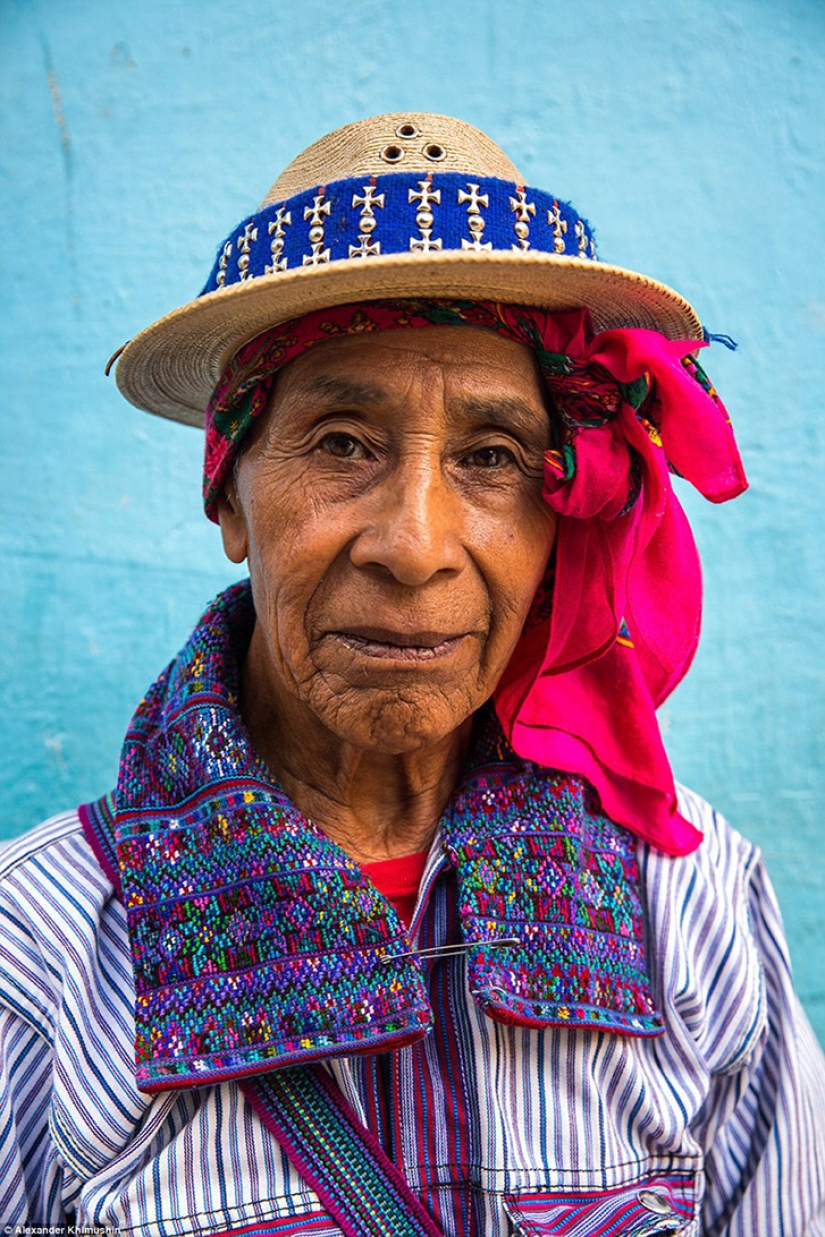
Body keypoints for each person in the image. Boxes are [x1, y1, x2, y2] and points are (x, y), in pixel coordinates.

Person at [1, 112, 823, 1236]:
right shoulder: (37, 956)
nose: (417, 542)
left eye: (489, 457)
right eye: (343, 441)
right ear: (227, 497)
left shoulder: (690, 905)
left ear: (560, 513)